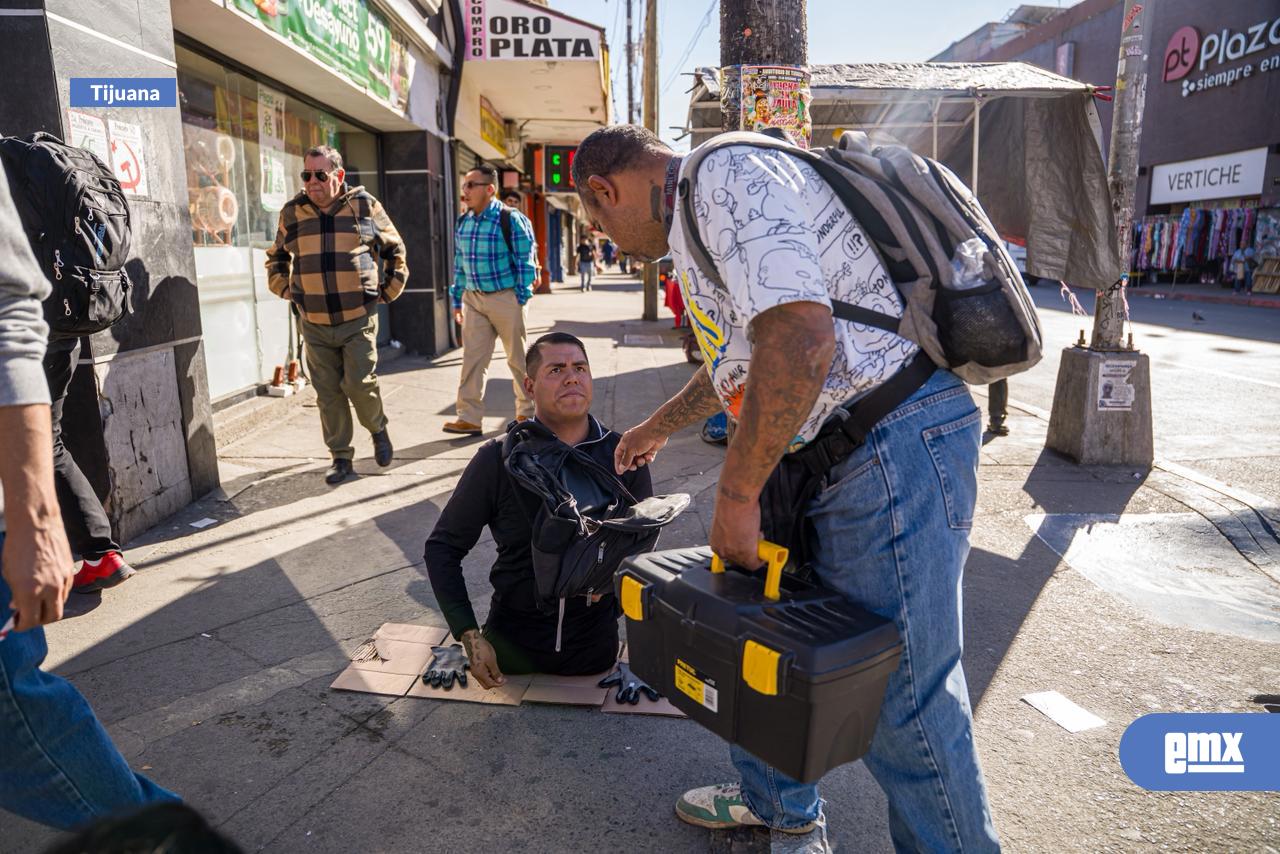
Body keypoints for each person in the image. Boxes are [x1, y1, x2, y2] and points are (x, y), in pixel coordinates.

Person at [573, 125, 999, 853]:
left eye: (595, 220)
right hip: (832, 455)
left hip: (889, 444)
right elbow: (745, 358)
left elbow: (800, 339)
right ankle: (776, 804)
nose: (604, 237)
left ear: (606, 189)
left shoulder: (724, 179)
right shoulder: (702, 211)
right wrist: (655, 426)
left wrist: (737, 498)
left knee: (906, 698)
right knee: (762, 642)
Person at [0, 158, 180, 830]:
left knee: (18, 714)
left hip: (40, 352)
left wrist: (35, 521)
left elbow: (8, 315)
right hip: (65, 325)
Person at [424, 332, 653, 684]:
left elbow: (641, 552)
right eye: (556, 370)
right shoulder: (497, 458)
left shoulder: (623, 455)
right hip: (509, 651)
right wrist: (469, 636)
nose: (572, 377)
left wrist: (610, 603)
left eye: (580, 368)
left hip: (594, 653)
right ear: (529, 386)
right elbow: (443, 547)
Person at [266, 145, 407, 485]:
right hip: (313, 321)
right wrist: (287, 290)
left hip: (356, 316)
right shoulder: (292, 213)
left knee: (359, 383)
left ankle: (378, 429)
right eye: (306, 175)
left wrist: (387, 292)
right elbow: (276, 258)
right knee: (327, 393)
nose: (312, 182)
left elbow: (395, 251)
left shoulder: (365, 205)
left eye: (320, 175)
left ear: (338, 176)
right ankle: (341, 458)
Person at [446, 164, 538, 436]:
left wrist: (520, 297)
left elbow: (525, 262)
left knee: (518, 360)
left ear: (489, 189)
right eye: (464, 185)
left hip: (505, 297)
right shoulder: (464, 221)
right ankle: (469, 418)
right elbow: (459, 265)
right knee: (472, 360)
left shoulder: (509, 218)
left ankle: (527, 414)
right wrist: (456, 301)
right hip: (473, 299)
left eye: (471, 185)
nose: (465, 191)